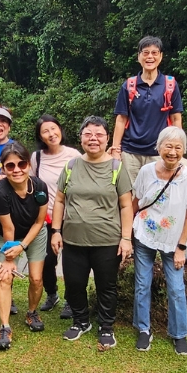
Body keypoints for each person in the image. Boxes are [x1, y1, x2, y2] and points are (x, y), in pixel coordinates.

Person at [50, 116, 134, 349]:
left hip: (107, 240)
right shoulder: (71, 166)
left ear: (108, 139)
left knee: (106, 286)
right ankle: (80, 321)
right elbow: (59, 200)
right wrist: (56, 231)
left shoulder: (117, 168)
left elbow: (126, 205)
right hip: (73, 239)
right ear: (81, 138)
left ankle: (106, 327)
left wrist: (126, 238)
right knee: (74, 283)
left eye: (98, 135)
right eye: (88, 134)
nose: (93, 139)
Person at [131, 127, 187, 354]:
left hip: (173, 241)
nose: (172, 152)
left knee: (177, 288)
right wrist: (128, 235)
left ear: (184, 151)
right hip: (145, 235)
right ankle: (143, 329)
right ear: (158, 147)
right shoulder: (146, 171)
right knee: (142, 284)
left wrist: (181, 247)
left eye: (178, 147)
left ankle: (179, 334)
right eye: (168, 146)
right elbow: (136, 201)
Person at [0, 143, 50, 350]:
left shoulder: (40, 186)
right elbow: (8, 228)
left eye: (21, 164)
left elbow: (39, 222)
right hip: (9, 236)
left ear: (29, 165)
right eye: (10, 166)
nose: (17, 169)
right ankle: (5, 326)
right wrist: (9, 259)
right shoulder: (0, 192)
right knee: (5, 276)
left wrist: (23, 245)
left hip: (35, 233)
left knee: (36, 278)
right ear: (3, 169)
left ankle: (32, 312)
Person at [109, 35, 183, 186]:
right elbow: (121, 119)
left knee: (157, 195)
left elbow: (176, 119)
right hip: (130, 152)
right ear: (139, 57)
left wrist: (177, 147)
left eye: (155, 53)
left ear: (161, 56)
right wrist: (116, 150)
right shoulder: (129, 85)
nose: (150, 56)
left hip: (159, 152)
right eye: (146, 52)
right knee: (130, 195)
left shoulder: (170, 85)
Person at [32, 115, 81, 320]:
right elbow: (33, 184)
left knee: (72, 262)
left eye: (54, 129)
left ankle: (71, 300)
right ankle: (52, 294)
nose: (51, 134)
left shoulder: (75, 155)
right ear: (40, 136)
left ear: (60, 129)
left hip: (72, 217)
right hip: (46, 218)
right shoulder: (37, 157)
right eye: (45, 131)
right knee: (46, 260)